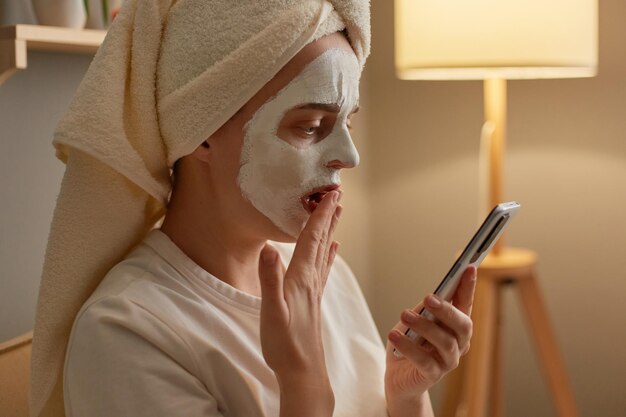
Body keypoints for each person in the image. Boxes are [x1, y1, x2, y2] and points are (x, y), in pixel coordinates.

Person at [29, 1, 476, 417]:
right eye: (311, 127)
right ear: (202, 131)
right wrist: (303, 383)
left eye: (348, 122)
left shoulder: (320, 274)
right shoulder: (125, 332)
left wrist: (405, 395)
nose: (350, 155)